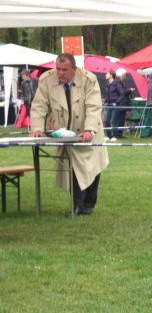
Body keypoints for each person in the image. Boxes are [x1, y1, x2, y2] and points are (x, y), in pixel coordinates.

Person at [29, 53, 109, 215]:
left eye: (65, 69)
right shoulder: (46, 79)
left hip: (89, 130)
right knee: (73, 168)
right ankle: (77, 206)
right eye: (58, 69)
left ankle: (88, 205)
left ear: (74, 69)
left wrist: (89, 129)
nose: (60, 73)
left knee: (93, 167)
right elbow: (39, 106)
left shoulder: (89, 79)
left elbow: (93, 106)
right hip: (66, 133)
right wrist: (36, 128)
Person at [104, 70, 126, 142]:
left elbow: (122, 93)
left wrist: (116, 102)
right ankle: (108, 135)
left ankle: (115, 136)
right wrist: (105, 102)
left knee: (114, 121)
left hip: (115, 105)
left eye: (107, 74)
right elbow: (107, 95)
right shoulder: (107, 84)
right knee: (106, 120)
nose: (105, 75)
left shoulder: (116, 83)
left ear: (111, 75)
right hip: (108, 105)